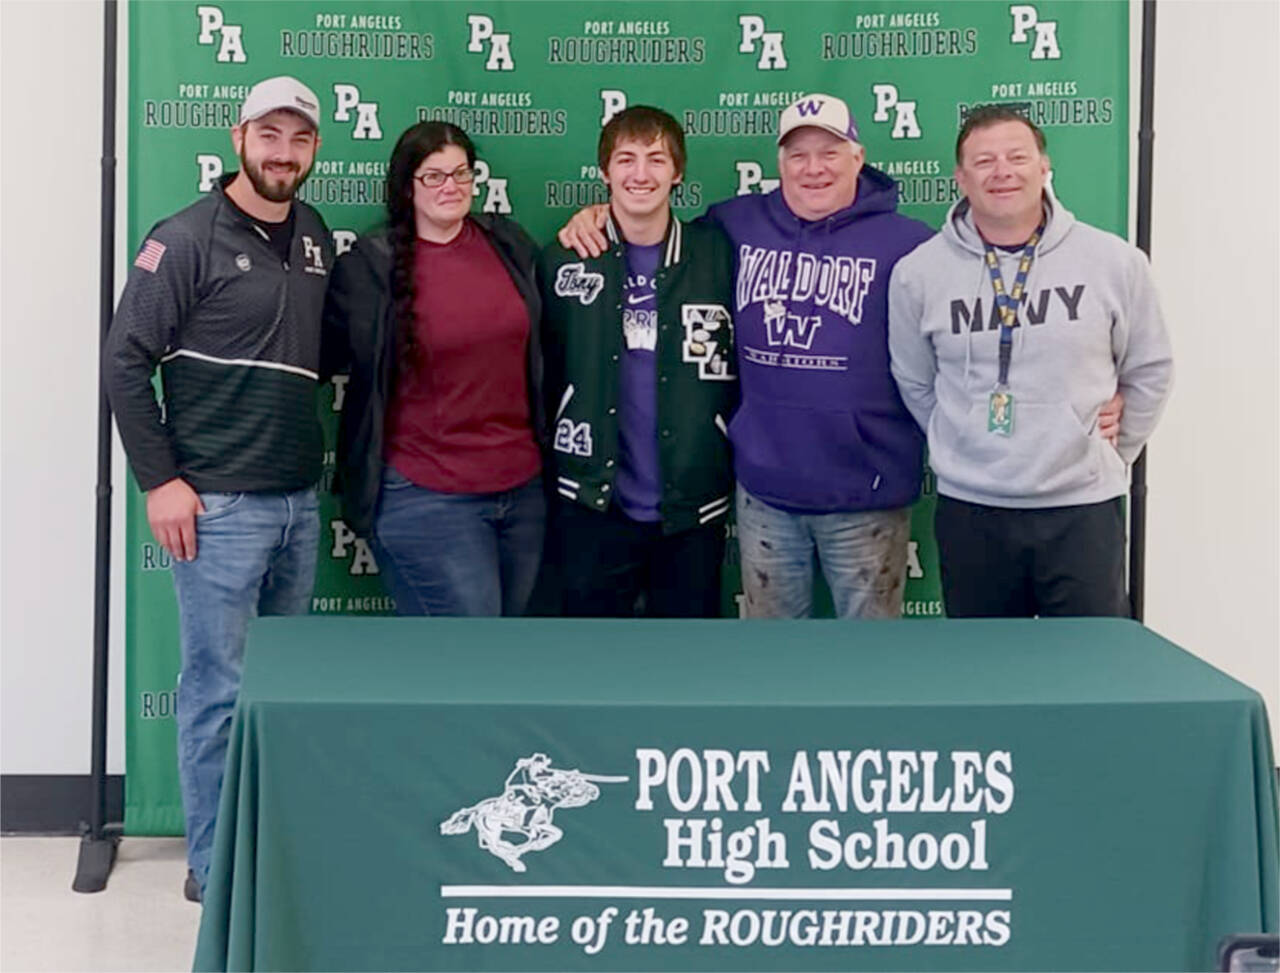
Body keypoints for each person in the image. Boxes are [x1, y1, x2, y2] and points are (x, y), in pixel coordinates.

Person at [559, 94, 933, 619]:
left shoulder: (912, 245)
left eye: (830, 152)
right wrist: (600, 216)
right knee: (767, 661)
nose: (813, 168)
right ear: (778, 164)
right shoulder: (733, 227)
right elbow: (650, 222)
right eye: (798, 155)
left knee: (871, 654)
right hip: (765, 494)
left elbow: (964, 345)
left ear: (858, 156)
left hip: (865, 493)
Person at [104, 76, 332, 901]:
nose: (283, 152)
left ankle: (273, 843)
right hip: (218, 508)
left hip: (299, 501)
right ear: (239, 138)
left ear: (314, 149)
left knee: (281, 690)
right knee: (219, 692)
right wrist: (160, 481)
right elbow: (124, 360)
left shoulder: (314, 236)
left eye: (299, 138)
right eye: (269, 134)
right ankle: (214, 862)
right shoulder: (186, 237)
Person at [888, 105, 1173, 617]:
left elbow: (1150, 368)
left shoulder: (1113, 262)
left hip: (1082, 508)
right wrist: (964, 437)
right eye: (984, 161)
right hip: (972, 509)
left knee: (1091, 672)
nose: (1002, 172)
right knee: (986, 676)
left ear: (1044, 168)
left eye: (1017, 157)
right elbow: (914, 379)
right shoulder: (918, 274)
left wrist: (1104, 452)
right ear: (960, 177)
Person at [322, 122, 545, 617]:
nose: (451, 186)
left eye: (462, 173)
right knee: (464, 672)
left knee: (513, 663)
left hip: (523, 491)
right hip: (426, 496)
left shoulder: (509, 244)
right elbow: (319, 356)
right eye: (433, 176)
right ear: (406, 186)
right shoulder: (370, 265)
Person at [540, 106, 737, 617]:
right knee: (589, 667)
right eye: (625, 159)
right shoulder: (565, 258)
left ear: (679, 172)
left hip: (692, 507)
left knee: (686, 672)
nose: (640, 174)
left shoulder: (719, 255)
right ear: (604, 172)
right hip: (590, 503)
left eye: (656, 159)